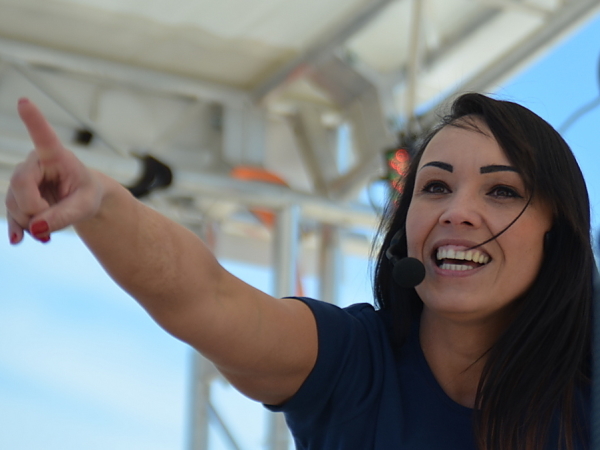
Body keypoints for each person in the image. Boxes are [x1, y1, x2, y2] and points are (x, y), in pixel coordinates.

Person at [5, 93, 592, 449]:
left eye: (501, 191)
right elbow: (208, 296)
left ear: (558, 233)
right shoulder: (350, 361)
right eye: (435, 186)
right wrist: (102, 203)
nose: (457, 211)